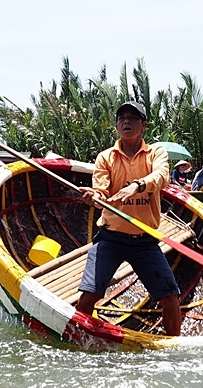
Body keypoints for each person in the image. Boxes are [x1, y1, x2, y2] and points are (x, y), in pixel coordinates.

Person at [77, 101, 182, 336]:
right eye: (122, 118)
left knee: (170, 297)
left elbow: (162, 176)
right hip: (111, 237)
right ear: (116, 125)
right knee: (89, 295)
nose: (126, 121)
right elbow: (101, 192)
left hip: (145, 240)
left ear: (143, 125)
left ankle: (174, 346)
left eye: (133, 118)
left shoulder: (156, 152)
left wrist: (137, 186)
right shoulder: (105, 157)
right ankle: (80, 340)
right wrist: (94, 196)